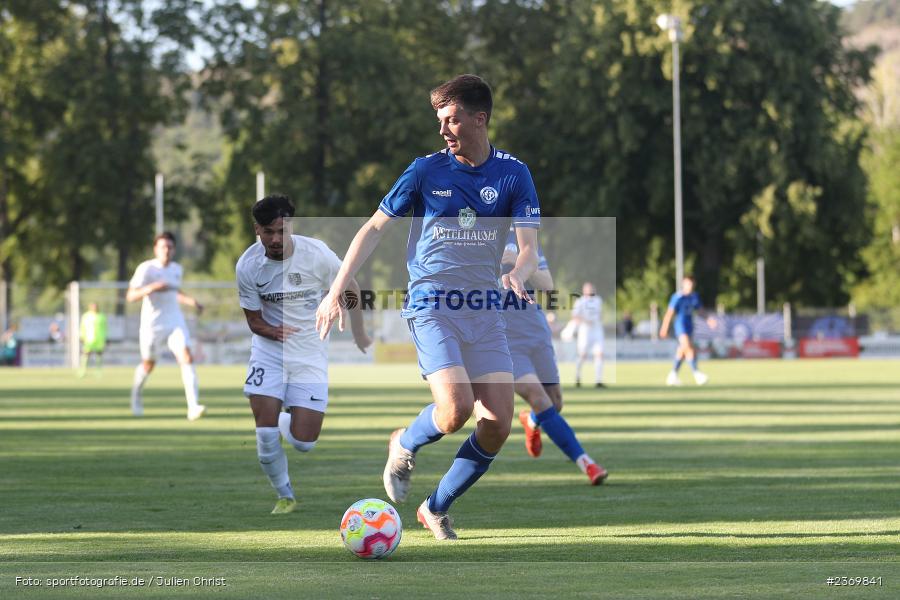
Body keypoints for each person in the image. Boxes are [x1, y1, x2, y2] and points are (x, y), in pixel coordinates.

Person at [316, 74, 540, 540]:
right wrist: (336, 288)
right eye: (439, 120)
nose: (443, 129)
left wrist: (518, 273)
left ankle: (435, 508)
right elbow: (373, 229)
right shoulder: (424, 171)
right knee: (456, 409)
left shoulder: (514, 174)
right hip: (432, 302)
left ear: (479, 119)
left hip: (484, 308)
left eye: (451, 119)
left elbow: (529, 249)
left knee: (497, 424)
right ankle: (403, 442)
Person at [236, 195, 371, 514]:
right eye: (268, 232)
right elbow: (254, 320)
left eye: (281, 231)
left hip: (310, 354)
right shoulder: (247, 266)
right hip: (269, 353)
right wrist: (273, 332)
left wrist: (359, 331)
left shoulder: (317, 254)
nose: (275, 239)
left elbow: (351, 287)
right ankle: (285, 495)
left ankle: (283, 417)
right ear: (257, 230)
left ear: (291, 227)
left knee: (304, 442)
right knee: (265, 433)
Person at [502, 229, 607, 485]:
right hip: (504, 338)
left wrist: (519, 264)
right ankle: (587, 463)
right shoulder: (476, 239)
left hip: (535, 330)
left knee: (554, 403)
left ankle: (531, 420)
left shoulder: (524, 240)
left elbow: (547, 284)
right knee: (538, 397)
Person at [126, 232, 206, 420]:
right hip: (152, 325)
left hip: (174, 322)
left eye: (170, 247)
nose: (166, 250)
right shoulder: (146, 268)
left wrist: (191, 301)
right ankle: (136, 395)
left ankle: (193, 407)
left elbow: (174, 292)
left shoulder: (177, 269)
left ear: (174, 249)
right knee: (149, 364)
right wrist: (152, 287)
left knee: (186, 357)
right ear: (156, 249)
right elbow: (131, 296)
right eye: (163, 246)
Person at [659, 275, 713, 386]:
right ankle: (697, 374)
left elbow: (700, 311)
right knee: (688, 348)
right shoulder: (678, 297)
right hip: (680, 325)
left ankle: (673, 375)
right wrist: (664, 327)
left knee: (682, 351)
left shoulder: (694, 297)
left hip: (689, 326)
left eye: (692, 283)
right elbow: (669, 313)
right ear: (683, 284)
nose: (690, 285)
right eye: (688, 283)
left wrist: (708, 319)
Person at [571, 282, 605, 387]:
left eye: (592, 288)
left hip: (597, 330)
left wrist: (597, 320)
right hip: (585, 331)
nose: (591, 290)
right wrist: (585, 321)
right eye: (588, 289)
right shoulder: (580, 302)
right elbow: (575, 316)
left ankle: (598, 380)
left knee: (599, 354)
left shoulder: (598, 300)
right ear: (584, 290)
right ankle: (577, 377)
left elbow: (600, 314)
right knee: (583, 355)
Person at [78, 303, 107, 378]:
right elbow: (82, 327)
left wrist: (105, 338)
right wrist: (81, 336)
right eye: (92, 307)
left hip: (99, 339)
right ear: (90, 307)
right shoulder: (86, 316)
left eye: (95, 307)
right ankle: (83, 370)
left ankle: (98, 371)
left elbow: (105, 328)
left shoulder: (101, 316)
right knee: (86, 354)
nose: (94, 308)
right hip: (89, 338)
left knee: (99, 354)